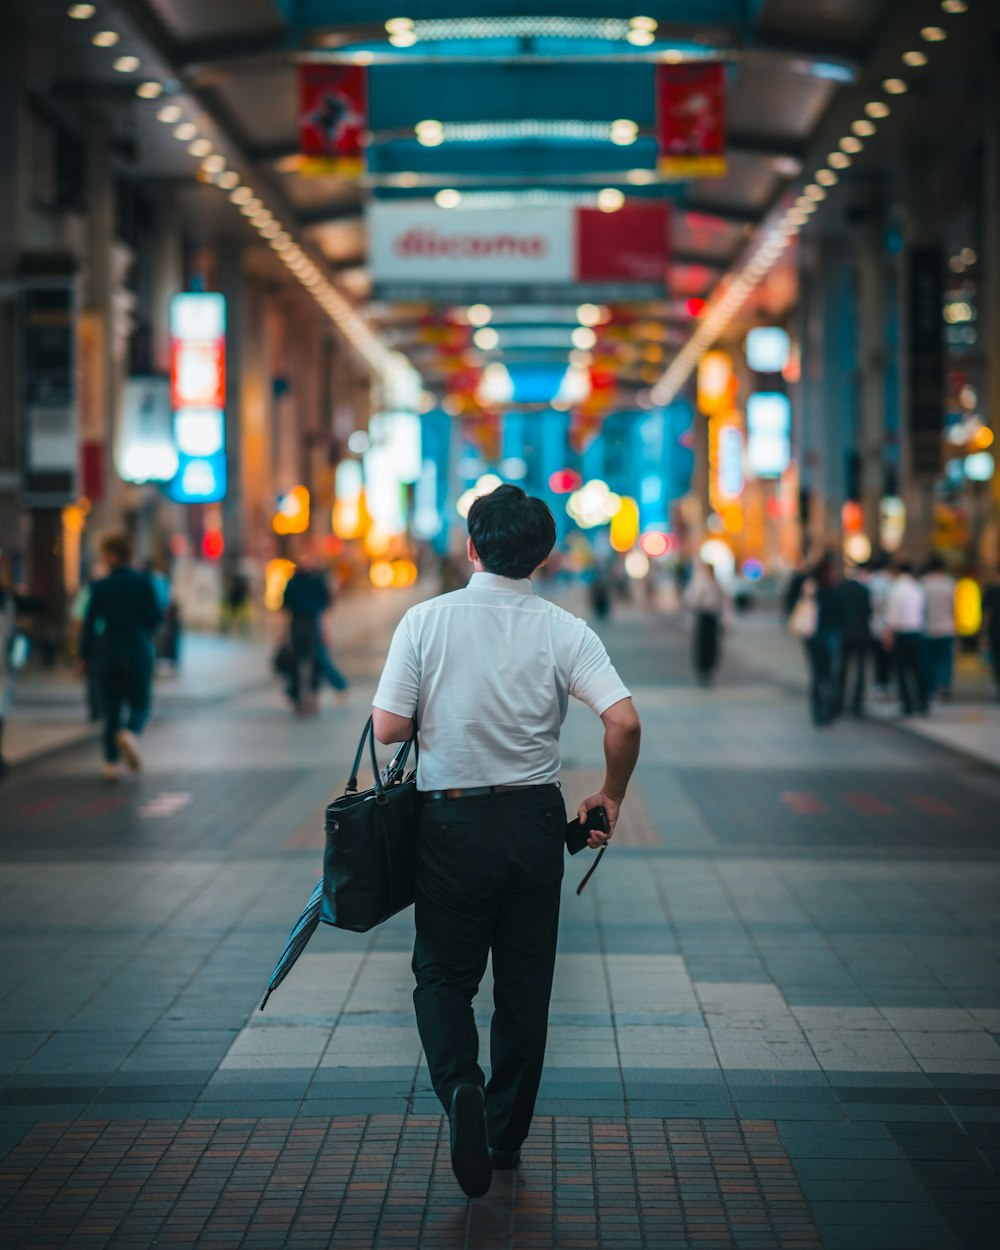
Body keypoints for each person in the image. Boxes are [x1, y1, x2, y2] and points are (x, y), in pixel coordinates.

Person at [371, 484, 640, 1199]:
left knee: (443, 976)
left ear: (470, 546)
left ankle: (459, 1084)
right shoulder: (564, 630)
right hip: (532, 823)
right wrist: (609, 795)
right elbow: (624, 722)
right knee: (525, 990)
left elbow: (389, 728)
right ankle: (503, 1134)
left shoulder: (424, 622)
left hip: (449, 824)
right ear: (543, 557)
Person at [80, 532, 163, 779]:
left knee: (111, 709)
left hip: (108, 650)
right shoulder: (145, 582)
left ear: (112, 556)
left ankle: (110, 763)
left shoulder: (100, 586)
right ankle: (131, 731)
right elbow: (155, 618)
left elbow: (90, 624)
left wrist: (84, 656)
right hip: (138, 648)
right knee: (141, 703)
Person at [281, 557, 348, 713]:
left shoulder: (317, 581)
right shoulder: (293, 582)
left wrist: (326, 629)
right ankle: (297, 696)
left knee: (316, 660)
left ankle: (312, 696)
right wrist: (283, 635)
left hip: (313, 625)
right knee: (298, 661)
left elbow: (325, 608)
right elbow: (286, 609)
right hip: (297, 625)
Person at [884, 559, 927, 716]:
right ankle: (923, 702)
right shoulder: (917, 587)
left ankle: (907, 703)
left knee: (902, 671)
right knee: (918, 669)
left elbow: (892, 615)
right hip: (917, 631)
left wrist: (888, 635)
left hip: (902, 633)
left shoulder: (896, 589)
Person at [835, 564, 872, 718]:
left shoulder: (839, 590)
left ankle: (839, 701)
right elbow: (868, 612)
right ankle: (857, 703)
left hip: (844, 634)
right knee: (860, 670)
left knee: (842, 669)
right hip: (861, 634)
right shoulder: (864, 591)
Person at [682, 560, 727, 686]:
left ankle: (710, 670)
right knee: (702, 645)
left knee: (712, 646)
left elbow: (723, 602)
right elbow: (691, 599)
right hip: (702, 616)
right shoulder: (699, 582)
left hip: (713, 617)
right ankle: (702, 670)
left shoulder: (716, 584)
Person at [921, 556, 956, 700]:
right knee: (945, 660)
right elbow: (953, 607)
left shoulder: (923, 583)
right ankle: (945, 685)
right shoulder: (949, 583)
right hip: (946, 627)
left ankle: (932, 687)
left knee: (930, 661)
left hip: (927, 628)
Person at [867, 556, 894, 698]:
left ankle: (880, 683)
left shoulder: (870, 580)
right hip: (886, 623)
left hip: (874, 624)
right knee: (887, 656)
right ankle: (885, 684)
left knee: (878, 656)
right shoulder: (888, 581)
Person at [981, 567, 1000, 701]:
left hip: (995, 630)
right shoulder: (991, 590)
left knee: (997, 660)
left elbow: (985, 613)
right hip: (994, 630)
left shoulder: (991, 591)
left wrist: (982, 633)